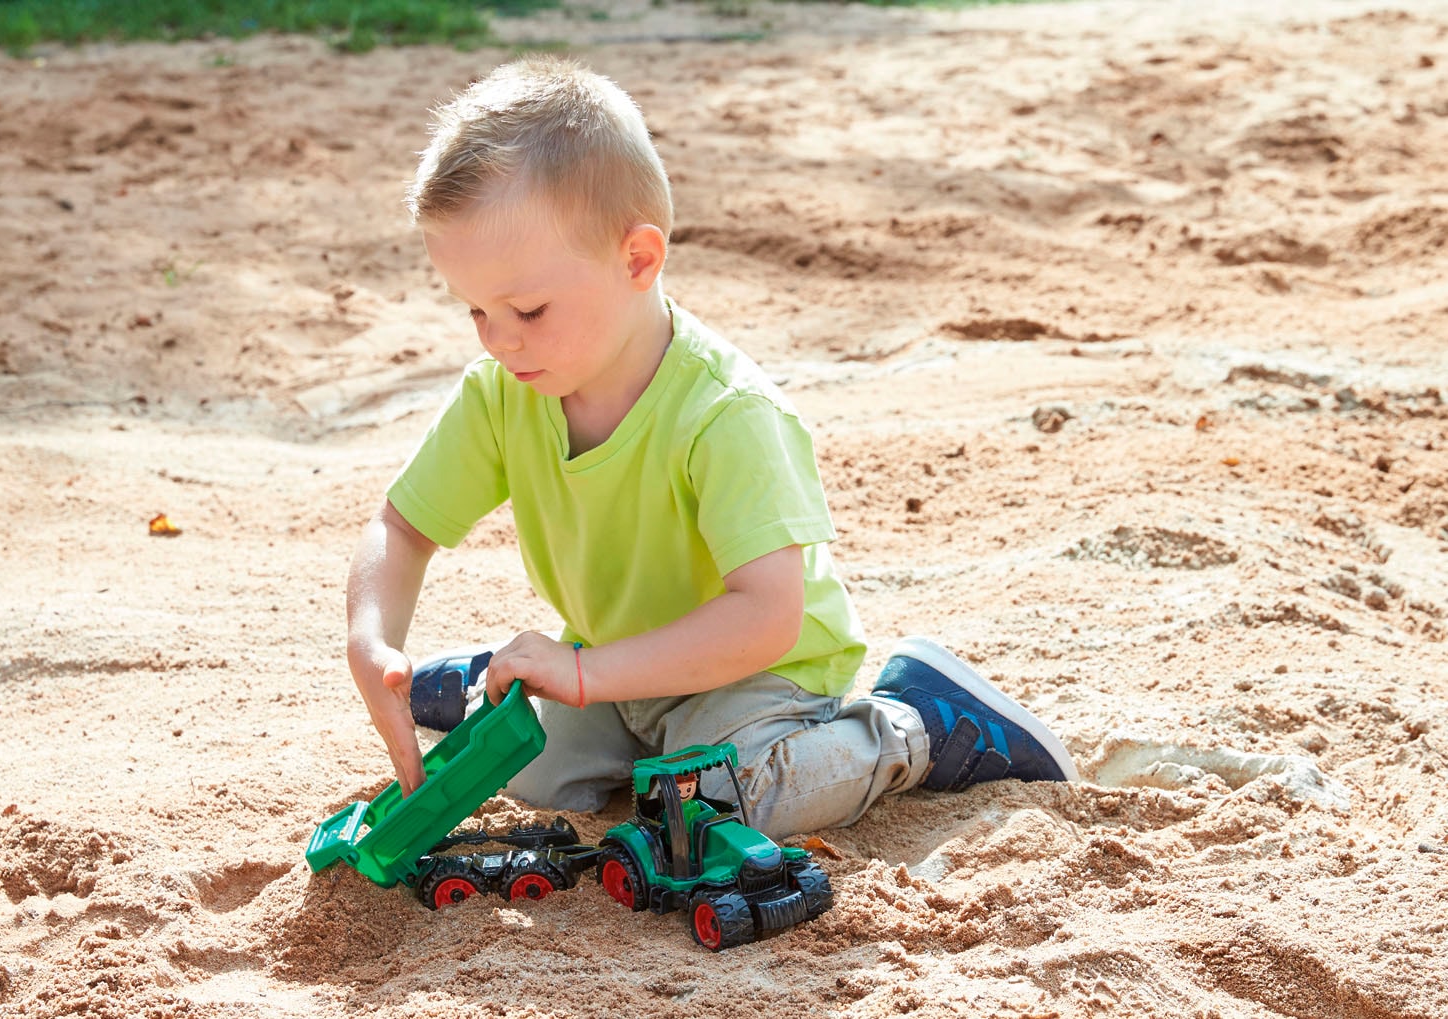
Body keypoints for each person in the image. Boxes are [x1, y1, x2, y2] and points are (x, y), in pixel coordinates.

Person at [345, 55, 1077, 838]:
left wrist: (586, 673)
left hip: (762, 676)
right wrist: (371, 637)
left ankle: (917, 724)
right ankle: (495, 685)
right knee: (516, 766)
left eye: (526, 307)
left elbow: (767, 617)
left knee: (720, 801)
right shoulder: (505, 391)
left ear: (637, 259)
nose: (500, 340)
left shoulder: (726, 413)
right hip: (623, 667)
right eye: (476, 312)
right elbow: (403, 526)